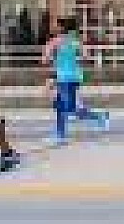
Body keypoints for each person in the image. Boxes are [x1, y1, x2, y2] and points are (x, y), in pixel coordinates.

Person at [42, 17, 110, 146]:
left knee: (63, 107)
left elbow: (45, 59)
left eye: (57, 25)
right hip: (74, 76)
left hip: (62, 77)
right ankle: (99, 116)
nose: (54, 27)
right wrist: (73, 60)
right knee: (70, 108)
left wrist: (54, 58)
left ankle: (60, 135)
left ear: (61, 28)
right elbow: (86, 56)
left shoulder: (54, 42)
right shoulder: (76, 41)